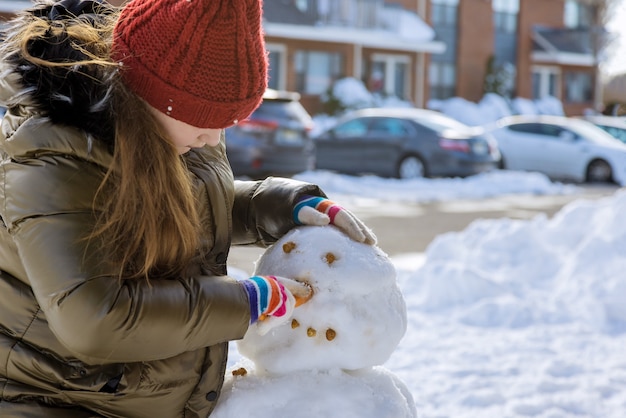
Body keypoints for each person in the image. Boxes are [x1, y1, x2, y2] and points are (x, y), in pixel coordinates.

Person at [0, 0, 376, 417]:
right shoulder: (56, 158)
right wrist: (247, 301)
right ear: (160, 95)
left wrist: (286, 206)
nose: (214, 138)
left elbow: (189, 209)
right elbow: (98, 317)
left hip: (136, 398)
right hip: (55, 398)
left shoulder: (170, 130)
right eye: (207, 119)